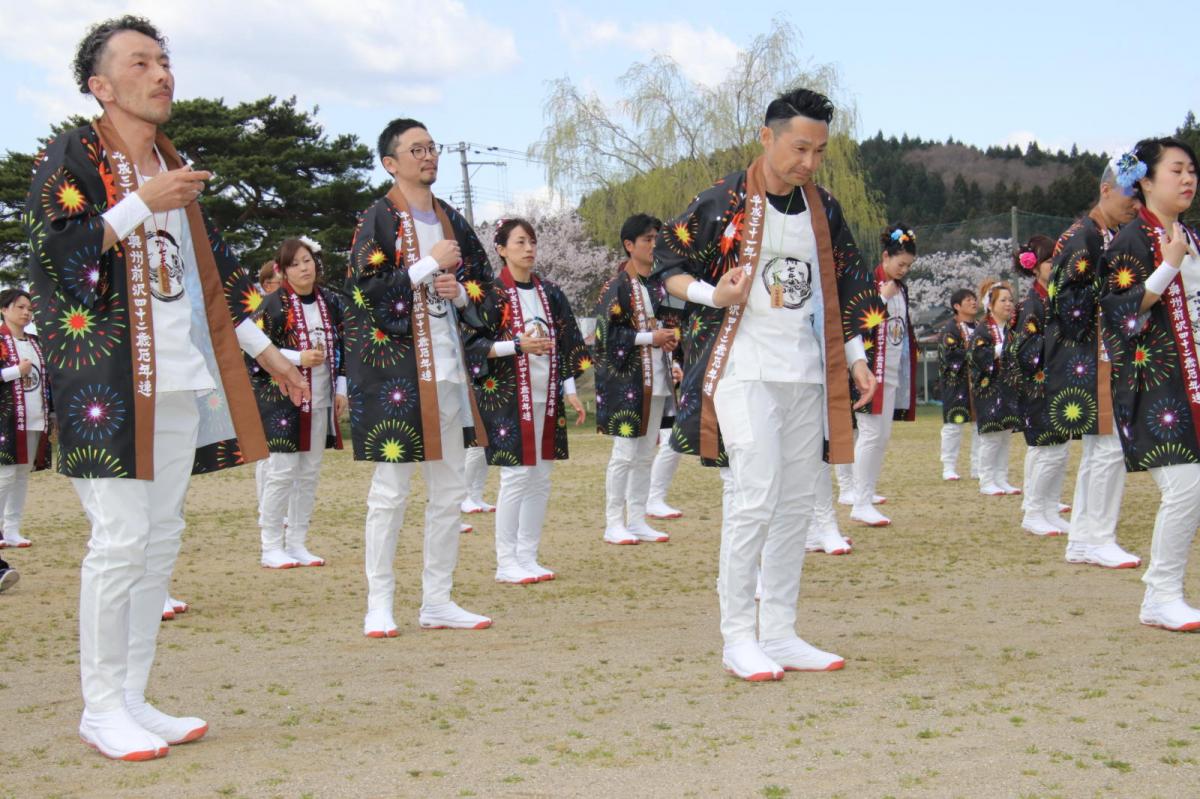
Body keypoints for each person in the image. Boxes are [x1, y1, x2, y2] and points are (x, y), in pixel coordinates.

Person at [24, 16, 305, 761]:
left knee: (158, 544)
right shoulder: (74, 155)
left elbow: (215, 281)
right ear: (101, 85)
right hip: (106, 385)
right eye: (140, 63)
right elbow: (57, 256)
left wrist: (268, 353)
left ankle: (132, 695)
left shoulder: (174, 162)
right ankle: (98, 705)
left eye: (165, 60)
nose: (161, 74)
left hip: (178, 381)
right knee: (118, 542)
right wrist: (145, 202)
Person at [655, 87, 882, 681]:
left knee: (796, 504)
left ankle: (780, 631)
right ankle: (738, 637)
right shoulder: (722, 199)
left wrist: (856, 356)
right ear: (767, 136)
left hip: (806, 371)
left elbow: (844, 287)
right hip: (742, 369)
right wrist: (714, 293)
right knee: (755, 497)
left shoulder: (823, 208)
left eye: (819, 151)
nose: (808, 161)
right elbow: (667, 269)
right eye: (799, 147)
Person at [347, 117, 494, 638]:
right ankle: (378, 601)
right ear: (391, 163)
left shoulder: (452, 220)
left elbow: (485, 291)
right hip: (398, 378)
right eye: (416, 149)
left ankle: (437, 599)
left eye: (431, 147)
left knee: (450, 490)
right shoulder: (379, 220)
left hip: (450, 373)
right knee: (390, 492)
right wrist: (424, 266)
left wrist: (463, 294)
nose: (428, 156)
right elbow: (363, 295)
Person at [1099, 138, 1200, 630]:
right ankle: (1161, 595)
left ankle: (1165, 592)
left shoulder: (1189, 235)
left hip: (1192, 381)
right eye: (1176, 170)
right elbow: (1118, 311)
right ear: (1144, 179)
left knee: (1192, 489)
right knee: (1186, 487)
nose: (1188, 179)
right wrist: (1167, 265)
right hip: (1155, 384)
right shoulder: (1130, 240)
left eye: (1192, 172)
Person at [463, 218, 589, 582]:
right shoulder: (489, 293)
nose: (529, 248)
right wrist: (516, 345)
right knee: (516, 476)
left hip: (546, 396)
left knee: (541, 477)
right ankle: (506, 562)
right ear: (501, 249)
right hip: (505, 397)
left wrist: (569, 392)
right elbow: (472, 346)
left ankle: (528, 555)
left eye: (532, 241)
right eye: (519, 242)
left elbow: (566, 346)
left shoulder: (550, 293)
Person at [1045, 158, 1142, 568]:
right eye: (1130, 194)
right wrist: (1117, 304)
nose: (1136, 204)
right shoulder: (1083, 236)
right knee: (1108, 450)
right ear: (1106, 189)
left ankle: (1086, 538)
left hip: (1097, 353)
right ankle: (1095, 537)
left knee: (1103, 451)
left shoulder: (1105, 234)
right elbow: (1064, 300)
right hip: (1090, 354)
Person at [251, 237, 347, 568]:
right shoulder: (273, 305)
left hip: (321, 398)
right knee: (281, 472)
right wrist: (296, 357)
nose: (304, 268)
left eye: (307, 261)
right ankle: (270, 545)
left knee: (309, 473)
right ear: (282, 270)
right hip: (283, 400)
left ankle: (297, 542)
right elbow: (254, 349)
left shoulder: (331, 301)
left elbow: (345, 346)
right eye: (294, 264)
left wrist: (342, 388)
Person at [594, 213, 680, 544]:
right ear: (629, 245)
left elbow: (668, 326)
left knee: (646, 454)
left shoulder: (660, 283)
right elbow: (604, 334)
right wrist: (650, 338)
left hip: (657, 380)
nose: (653, 244)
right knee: (624, 453)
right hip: (627, 383)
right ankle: (613, 521)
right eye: (647, 239)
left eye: (657, 238)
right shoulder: (616, 285)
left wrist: (670, 344)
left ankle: (638, 518)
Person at [840, 224, 918, 527]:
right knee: (870, 434)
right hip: (870, 373)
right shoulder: (868, 284)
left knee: (880, 436)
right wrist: (881, 300)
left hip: (893, 371)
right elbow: (854, 326)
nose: (904, 270)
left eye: (909, 266)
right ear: (885, 257)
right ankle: (859, 499)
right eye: (900, 264)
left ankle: (865, 494)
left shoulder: (902, 288)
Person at [1013, 235, 1072, 535]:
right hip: (1038, 387)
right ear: (1034, 268)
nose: (1056, 265)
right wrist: (1058, 345)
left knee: (1058, 451)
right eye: (1050, 261)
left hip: (1056, 382)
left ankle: (1048, 508)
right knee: (1046, 449)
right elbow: (1024, 349)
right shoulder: (1032, 304)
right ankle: (1035, 511)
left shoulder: (1053, 297)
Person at [0, 289, 52, 549]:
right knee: (5, 474)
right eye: (20, 307)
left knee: (22, 474)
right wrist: (15, 372)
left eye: (29, 309)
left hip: (33, 416)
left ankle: (12, 530)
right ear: (4, 309)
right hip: (6, 419)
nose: (25, 312)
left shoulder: (35, 341)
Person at [968, 280, 1022, 496]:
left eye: (1011, 300)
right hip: (988, 388)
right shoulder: (982, 330)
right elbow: (977, 357)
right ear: (990, 304)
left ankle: (1001, 478)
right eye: (1003, 300)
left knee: (1005, 434)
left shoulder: (1010, 329)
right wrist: (1002, 349)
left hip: (1008, 387)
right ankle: (987, 479)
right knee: (991, 436)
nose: (1009, 304)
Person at [938, 289, 981, 481]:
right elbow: (950, 356)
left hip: (979, 384)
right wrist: (978, 355)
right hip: (957, 384)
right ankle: (949, 466)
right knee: (953, 426)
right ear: (957, 306)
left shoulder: (982, 327)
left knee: (979, 427)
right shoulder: (951, 329)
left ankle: (978, 467)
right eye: (968, 300)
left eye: (974, 299)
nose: (973, 303)